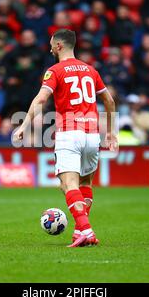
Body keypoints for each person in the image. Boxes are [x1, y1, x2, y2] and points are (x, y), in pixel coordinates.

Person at [13, 29, 118, 247]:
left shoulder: (55, 70)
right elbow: (109, 101)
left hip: (69, 133)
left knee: (68, 185)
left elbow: (41, 99)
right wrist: (111, 132)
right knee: (85, 182)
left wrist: (24, 124)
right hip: (92, 136)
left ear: (59, 46)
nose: (50, 48)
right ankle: (80, 230)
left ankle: (86, 231)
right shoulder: (91, 70)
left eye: (52, 44)